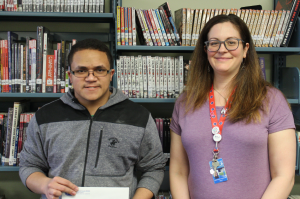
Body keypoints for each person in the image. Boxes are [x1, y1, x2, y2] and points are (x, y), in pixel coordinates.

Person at [19, 38, 167, 199]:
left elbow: (153, 168)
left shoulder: (139, 117)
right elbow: (29, 166)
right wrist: (44, 185)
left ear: (111, 74)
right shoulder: (45, 117)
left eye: (99, 70)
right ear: (70, 75)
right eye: (81, 70)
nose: (91, 78)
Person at [169, 14, 296, 199]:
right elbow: (178, 171)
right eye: (214, 43)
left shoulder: (272, 100)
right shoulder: (184, 103)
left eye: (231, 42)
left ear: (245, 49)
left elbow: (284, 176)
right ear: (205, 50)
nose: (222, 49)